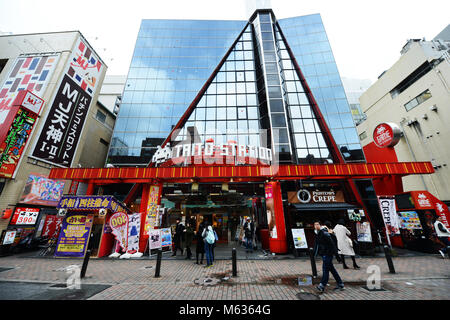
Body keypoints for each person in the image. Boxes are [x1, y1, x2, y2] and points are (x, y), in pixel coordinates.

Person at [313, 220, 345, 293]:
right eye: (315, 225)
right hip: (325, 253)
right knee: (332, 269)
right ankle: (340, 284)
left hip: (328, 253)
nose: (316, 226)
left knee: (325, 269)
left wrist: (337, 255)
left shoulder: (324, 233)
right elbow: (318, 244)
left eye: (317, 224)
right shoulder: (319, 233)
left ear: (320, 225)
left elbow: (332, 244)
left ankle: (322, 285)